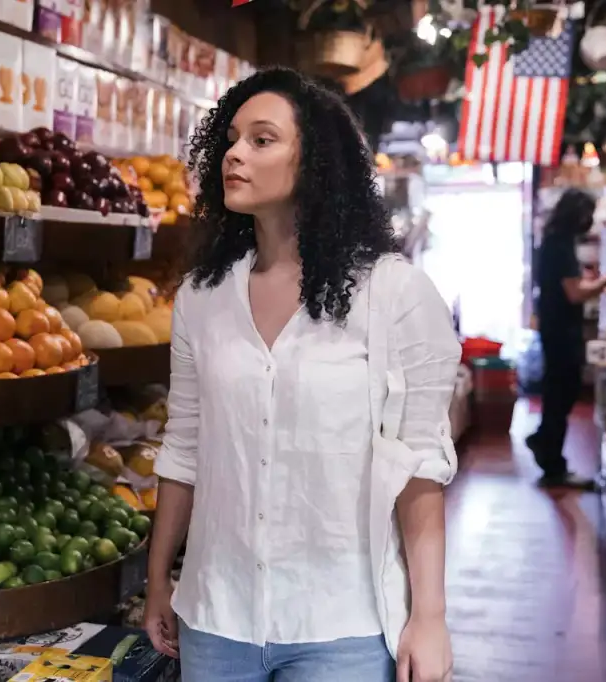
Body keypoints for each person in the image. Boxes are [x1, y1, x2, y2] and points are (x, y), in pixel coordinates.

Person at [143, 67, 460, 682]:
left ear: (314, 161)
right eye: (232, 139)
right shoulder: (203, 298)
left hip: (341, 625)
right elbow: (184, 449)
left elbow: (420, 466)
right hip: (216, 618)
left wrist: (430, 616)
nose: (236, 153)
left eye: (263, 140)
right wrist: (159, 581)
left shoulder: (392, 293)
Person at [527, 188, 606, 489]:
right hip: (561, 328)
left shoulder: (554, 240)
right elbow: (574, 293)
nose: (590, 220)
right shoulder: (560, 245)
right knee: (563, 390)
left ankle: (544, 443)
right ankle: (552, 462)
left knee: (558, 389)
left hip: (555, 325)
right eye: (588, 213)